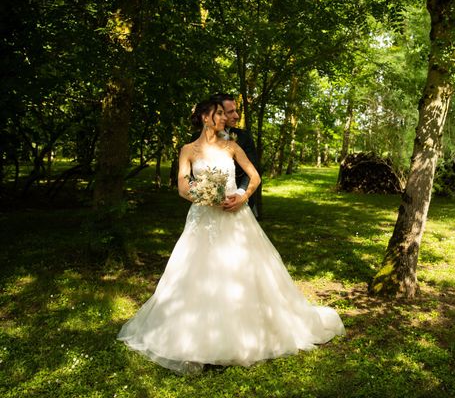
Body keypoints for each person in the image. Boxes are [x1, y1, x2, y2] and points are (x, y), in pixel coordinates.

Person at [117, 96, 345, 374]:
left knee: (241, 272)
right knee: (197, 275)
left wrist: (241, 196)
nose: (225, 118)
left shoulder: (232, 147)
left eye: (225, 115)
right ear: (205, 117)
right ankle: (196, 340)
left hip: (235, 217)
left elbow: (255, 176)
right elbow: (181, 185)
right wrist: (203, 196)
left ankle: (248, 334)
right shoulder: (188, 150)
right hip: (203, 219)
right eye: (219, 114)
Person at [212, 93, 260, 217]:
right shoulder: (196, 139)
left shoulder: (244, 136)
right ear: (216, 112)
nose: (237, 116)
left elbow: (253, 170)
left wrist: (241, 194)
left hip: (240, 199)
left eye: (236, 111)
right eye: (230, 112)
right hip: (209, 205)